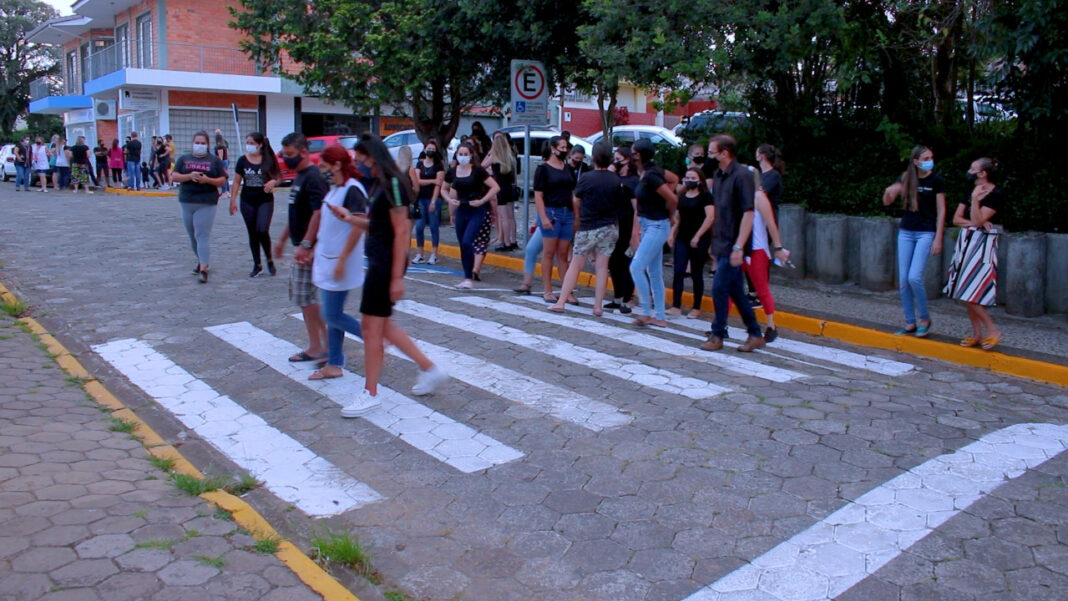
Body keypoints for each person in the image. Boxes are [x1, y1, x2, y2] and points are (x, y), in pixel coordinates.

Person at [328, 134, 449, 416]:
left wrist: (396, 277)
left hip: (385, 263)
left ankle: (370, 392)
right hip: (379, 260)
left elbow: (402, 229)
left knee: (372, 330)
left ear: (373, 156)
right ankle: (430, 369)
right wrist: (350, 217)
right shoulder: (380, 184)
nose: (359, 165)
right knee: (380, 328)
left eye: (361, 160)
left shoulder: (393, 182)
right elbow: (378, 223)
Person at [699, 134, 786, 352]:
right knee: (736, 292)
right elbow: (720, 212)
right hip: (723, 243)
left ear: (725, 153)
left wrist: (739, 246)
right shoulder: (719, 175)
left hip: (735, 246)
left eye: (711, 152)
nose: (709, 157)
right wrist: (714, 241)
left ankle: (718, 334)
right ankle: (755, 333)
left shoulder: (742, 176)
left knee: (720, 288)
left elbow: (748, 214)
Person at [308, 144, 369, 381]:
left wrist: (342, 259)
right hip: (327, 260)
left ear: (336, 165)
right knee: (333, 313)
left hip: (340, 262)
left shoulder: (353, 190)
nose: (321, 169)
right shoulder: (335, 189)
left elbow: (358, 225)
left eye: (324, 165)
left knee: (332, 315)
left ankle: (373, 336)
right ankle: (334, 363)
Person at [273, 133, 330, 364]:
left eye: (290, 155)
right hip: (301, 245)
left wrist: (307, 244)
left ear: (303, 152)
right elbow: (296, 213)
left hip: (312, 248)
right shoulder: (300, 177)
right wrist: (282, 239)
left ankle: (326, 344)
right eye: (284, 155)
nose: (287, 159)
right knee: (305, 299)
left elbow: (319, 212)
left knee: (308, 298)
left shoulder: (313, 177)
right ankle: (318, 345)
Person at [549, 142, 619, 316]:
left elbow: (576, 199)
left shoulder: (587, 178)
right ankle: (597, 306)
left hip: (588, 226)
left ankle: (561, 301)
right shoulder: (615, 180)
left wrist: (578, 218)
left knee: (575, 265)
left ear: (593, 157)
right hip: (609, 226)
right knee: (602, 267)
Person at [882, 145, 946, 337]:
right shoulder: (907, 177)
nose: (930, 160)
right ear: (916, 161)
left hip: (925, 232)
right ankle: (910, 321)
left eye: (931, 157)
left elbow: (942, 211)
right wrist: (890, 191)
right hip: (906, 231)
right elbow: (887, 202)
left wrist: (938, 238)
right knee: (903, 281)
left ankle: (924, 318)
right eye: (926, 158)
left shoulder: (936, 181)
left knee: (914, 277)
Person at [945, 157, 1002, 350]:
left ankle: (992, 330)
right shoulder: (969, 191)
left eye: (973, 168)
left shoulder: (995, 194)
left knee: (972, 290)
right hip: (967, 242)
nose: (969, 171)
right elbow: (957, 219)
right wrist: (974, 220)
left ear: (983, 173)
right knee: (963, 289)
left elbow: (979, 219)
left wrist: (976, 202)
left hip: (983, 246)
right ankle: (978, 333)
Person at [627, 138, 677, 327]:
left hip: (657, 225)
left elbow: (672, 198)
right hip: (649, 224)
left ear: (638, 155)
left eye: (633, 152)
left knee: (636, 267)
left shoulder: (651, 176)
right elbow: (674, 179)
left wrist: (669, 213)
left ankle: (646, 312)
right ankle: (660, 316)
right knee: (654, 271)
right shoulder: (647, 173)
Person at [741, 167, 790, 342]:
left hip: (757, 249)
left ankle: (771, 325)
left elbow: (771, 223)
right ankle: (720, 326)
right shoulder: (741, 196)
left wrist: (778, 247)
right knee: (729, 285)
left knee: (761, 289)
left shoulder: (759, 197)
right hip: (741, 248)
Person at [171, 131, 227, 283]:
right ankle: (202, 260)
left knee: (202, 234)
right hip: (187, 200)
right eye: (197, 142)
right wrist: (189, 176)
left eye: (203, 143)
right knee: (192, 235)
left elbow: (222, 180)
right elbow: (174, 176)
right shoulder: (184, 159)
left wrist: (207, 180)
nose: (200, 145)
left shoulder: (214, 161)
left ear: (208, 145)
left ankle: (203, 269)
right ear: (192, 143)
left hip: (206, 201)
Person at [442, 143, 500, 288]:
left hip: (477, 210)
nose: (463, 157)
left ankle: (472, 272)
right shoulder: (452, 171)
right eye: (460, 154)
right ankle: (467, 277)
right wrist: (450, 201)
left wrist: (482, 201)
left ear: (471, 155)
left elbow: (495, 187)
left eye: (465, 154)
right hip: (461, 209)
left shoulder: (478, 171)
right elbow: (443, 188)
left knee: (468, 241)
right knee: (463, 244)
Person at [230, 132, 281, 278]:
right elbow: (237, 181)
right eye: (248, 142)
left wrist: (273, 182)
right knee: (252, 232)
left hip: (265, 200)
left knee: (262, 229)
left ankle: (269, 259)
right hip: (247, 200)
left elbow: (278, 176)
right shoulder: (242, 161)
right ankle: (257, 264)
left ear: (260, 144)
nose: (249, 146)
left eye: (252, 143)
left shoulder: (268, 159)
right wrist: (232, 200)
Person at [534, 135, 576, 302]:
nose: (564, 151)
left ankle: (567, 291)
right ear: (553, 148)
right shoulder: (543, 169)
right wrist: (543, 216)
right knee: (549, 252)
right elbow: (538, 196)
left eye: (566, 147)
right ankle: (548, 289)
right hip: (551, 212)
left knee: (564, 254)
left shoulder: (568, 168)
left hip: (567, 212)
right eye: (562, 147)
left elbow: (573, 192)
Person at [668, 167, 714, 317]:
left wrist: (698, 236)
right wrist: (672, 233)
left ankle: (696, 306)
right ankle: (676, 305)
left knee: (696, 273)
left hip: (700, 239)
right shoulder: (682, 196)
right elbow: (678, 218)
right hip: (683, 237)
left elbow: (710, 217)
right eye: (688, 178)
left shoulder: (706, 196)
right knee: (679, 271)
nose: (690, 181)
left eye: (693, 178)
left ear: (700, 180)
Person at [605, 147, 637, 313]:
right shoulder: (614, 179)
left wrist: (636, 232)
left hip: (628, 224)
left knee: (627, 262)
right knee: (614, 262)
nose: (616, 162)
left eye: (619, 159)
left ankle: (627, 297)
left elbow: (636, 208)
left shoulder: (633, 181)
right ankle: (617, 297)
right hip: (614, 223)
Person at [410, 139, 445, 264]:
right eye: (428, 149)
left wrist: (434, 201)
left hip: (433, 199)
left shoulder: (438, 166)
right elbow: (417, 181)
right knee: (419, 227)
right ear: (424, 149)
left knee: (434, 226)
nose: (430, 151)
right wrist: (432, 181)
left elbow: (439, 184)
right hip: (421, 198)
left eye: (432, 149)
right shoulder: (419, 164)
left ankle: (434, 254)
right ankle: (420, 253)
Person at [485, 131, 519, 252]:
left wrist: (489, 154)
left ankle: (506, 242)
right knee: (511, 217)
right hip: (510, 187)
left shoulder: (494, 157)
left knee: (503, 217)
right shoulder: (510, 156)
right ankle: (513, 240)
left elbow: (481, 167)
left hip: (500, 188)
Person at [215, 129, 230, 196]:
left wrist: (219, 164)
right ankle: (227, 191)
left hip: (223, 161)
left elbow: (220, 156)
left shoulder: (219, 145)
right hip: (226, 160)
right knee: (226, 176)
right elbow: (227, 152)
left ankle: (224, 192)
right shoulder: (225, 143)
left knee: (223, 176)